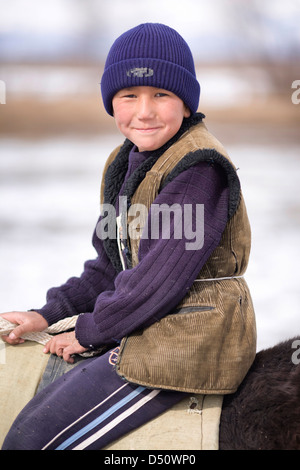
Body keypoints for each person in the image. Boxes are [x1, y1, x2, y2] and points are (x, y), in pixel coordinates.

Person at [0, 23, 256, 450]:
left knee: (34, 439)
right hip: (148, 324)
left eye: (162, 95)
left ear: (186, 102)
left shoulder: (198, 170)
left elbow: (159, 281)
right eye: (129, 96)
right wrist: (48, 314)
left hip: (190, 341)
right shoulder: (125, 164)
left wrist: (91, 329)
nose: (145, 111)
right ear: (111, 102)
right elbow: (109, 266)